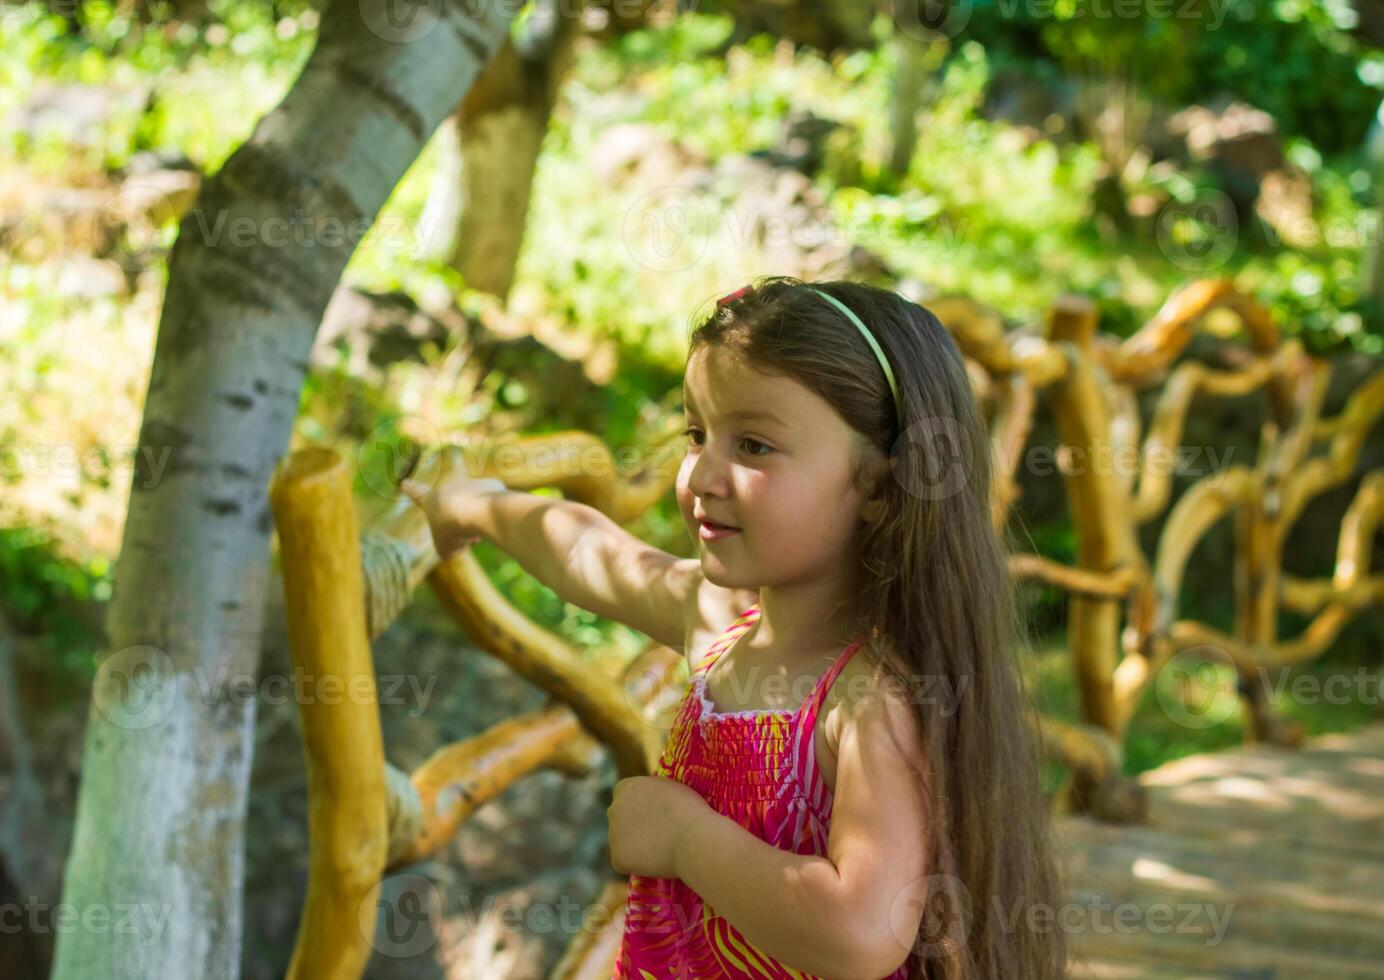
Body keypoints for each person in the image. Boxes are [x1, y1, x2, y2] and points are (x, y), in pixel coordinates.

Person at [404, 276, 1067, 980]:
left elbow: (861, 930)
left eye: (753, 445)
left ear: (877, 485)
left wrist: (684, 839)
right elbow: (587, 553)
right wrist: (477, 507)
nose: (701, 475)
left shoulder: (872, 698)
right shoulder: (721, 623)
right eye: (698, 433)